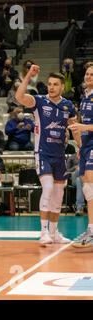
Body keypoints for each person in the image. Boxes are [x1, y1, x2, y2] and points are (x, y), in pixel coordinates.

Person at [16, 66, 77, 245]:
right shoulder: (40, 102)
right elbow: (19, 97)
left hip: (59, 155)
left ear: (62, 87)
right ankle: (43, 232)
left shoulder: (68, 105)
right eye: (49, 84)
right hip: (42, 153)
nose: (51, 87)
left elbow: (75, 128)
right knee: (48, 188)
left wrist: (80, 146)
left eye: (55, 84)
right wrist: (28, 76)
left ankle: (54, 232)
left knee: (58, 193)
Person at [70, 64, 93, 248]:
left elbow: (87, 125)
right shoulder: (84, 97)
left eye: (92, 74)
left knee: (91, 188)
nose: (89, 77)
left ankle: (92, 230)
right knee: (87, 189)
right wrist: (80, 143)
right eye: (87, 74)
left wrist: (84, 127)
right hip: (86, 146)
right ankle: (91, 228)